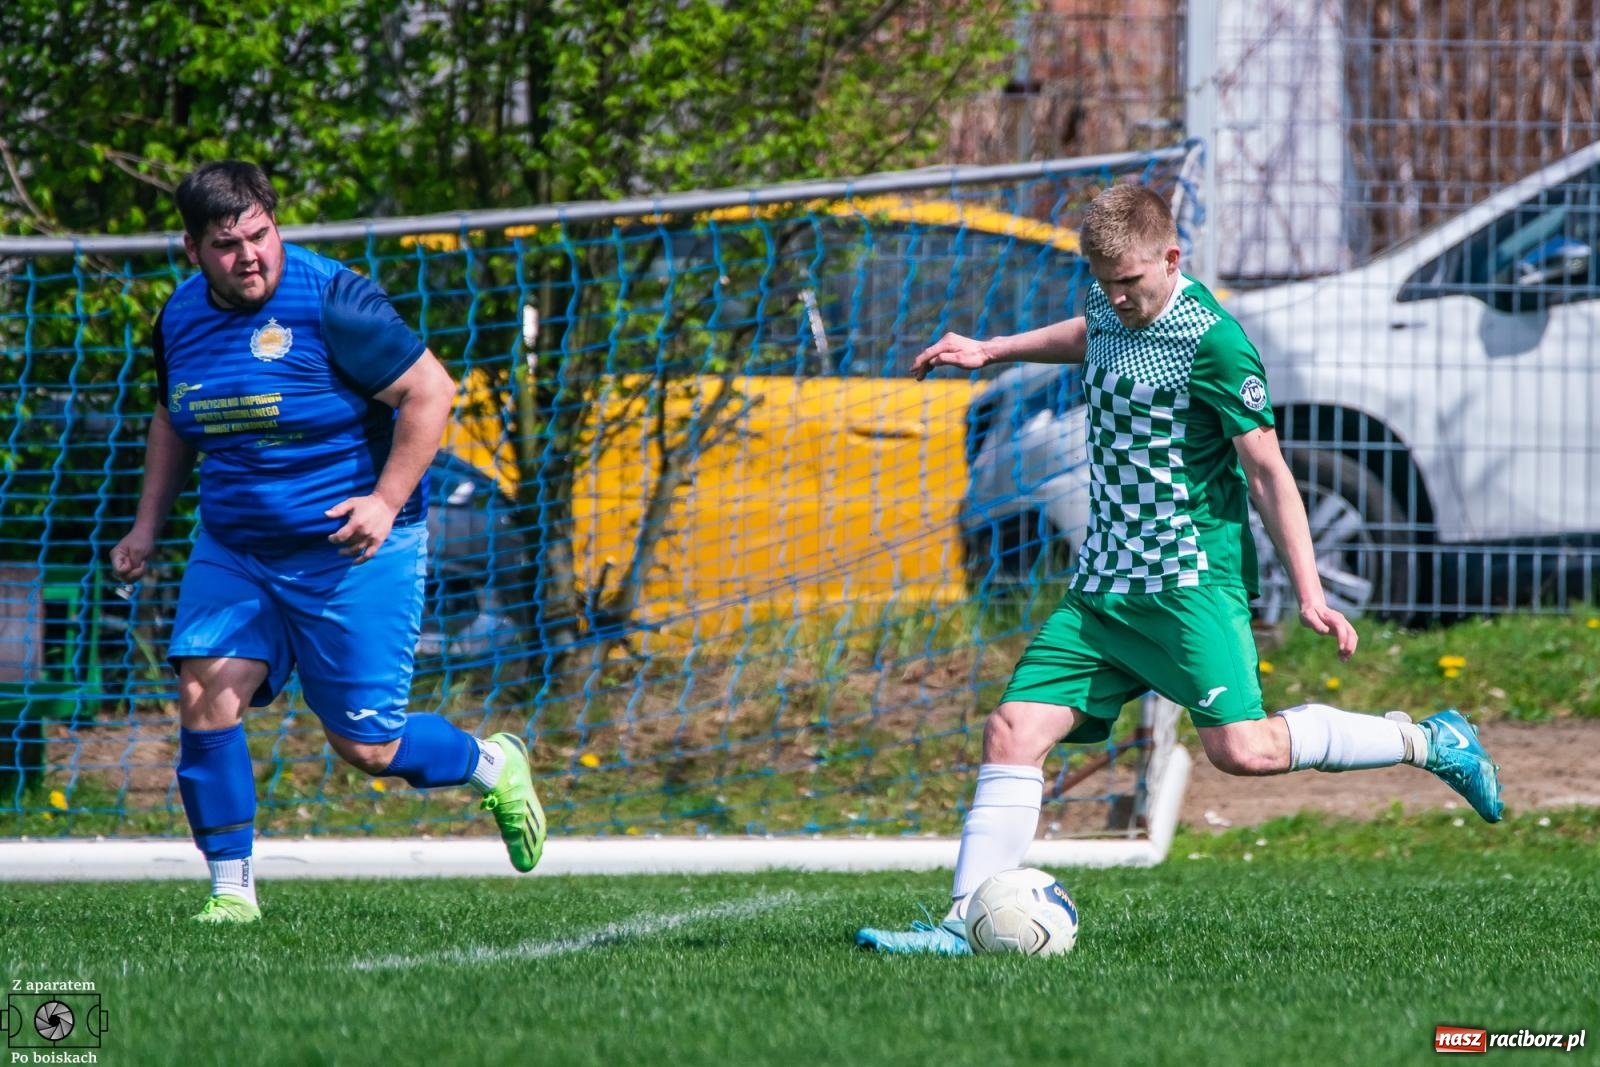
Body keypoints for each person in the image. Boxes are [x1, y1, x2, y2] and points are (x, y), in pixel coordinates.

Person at [855, 183, 1503, 955]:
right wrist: (991, 349)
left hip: (1189, 582)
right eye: (1103, 283)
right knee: (1013, 729)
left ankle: (1430, 741)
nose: (1116, 298)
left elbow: (1268, 473)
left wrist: (1311, 592)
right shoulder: (1109, 306)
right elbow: (1088, 334)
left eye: (1129, 281)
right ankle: (965, 924)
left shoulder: (1216, 342)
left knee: (1243, 750)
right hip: (1104, 587)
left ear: (1171, 258)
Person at [110, 161, 546, 923]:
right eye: (226, 244)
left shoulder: (335, 298)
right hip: (237, 547)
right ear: (191, 249)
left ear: (277, 226)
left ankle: (492, 762)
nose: (249, 256)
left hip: (351, 552)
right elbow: (171, 417)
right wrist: (147, 527)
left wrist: (384, 500)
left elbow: (430, 392)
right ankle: (231, 893)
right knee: (203, 694)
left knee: (367, 747)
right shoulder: (178, 318)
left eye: (260, 234)